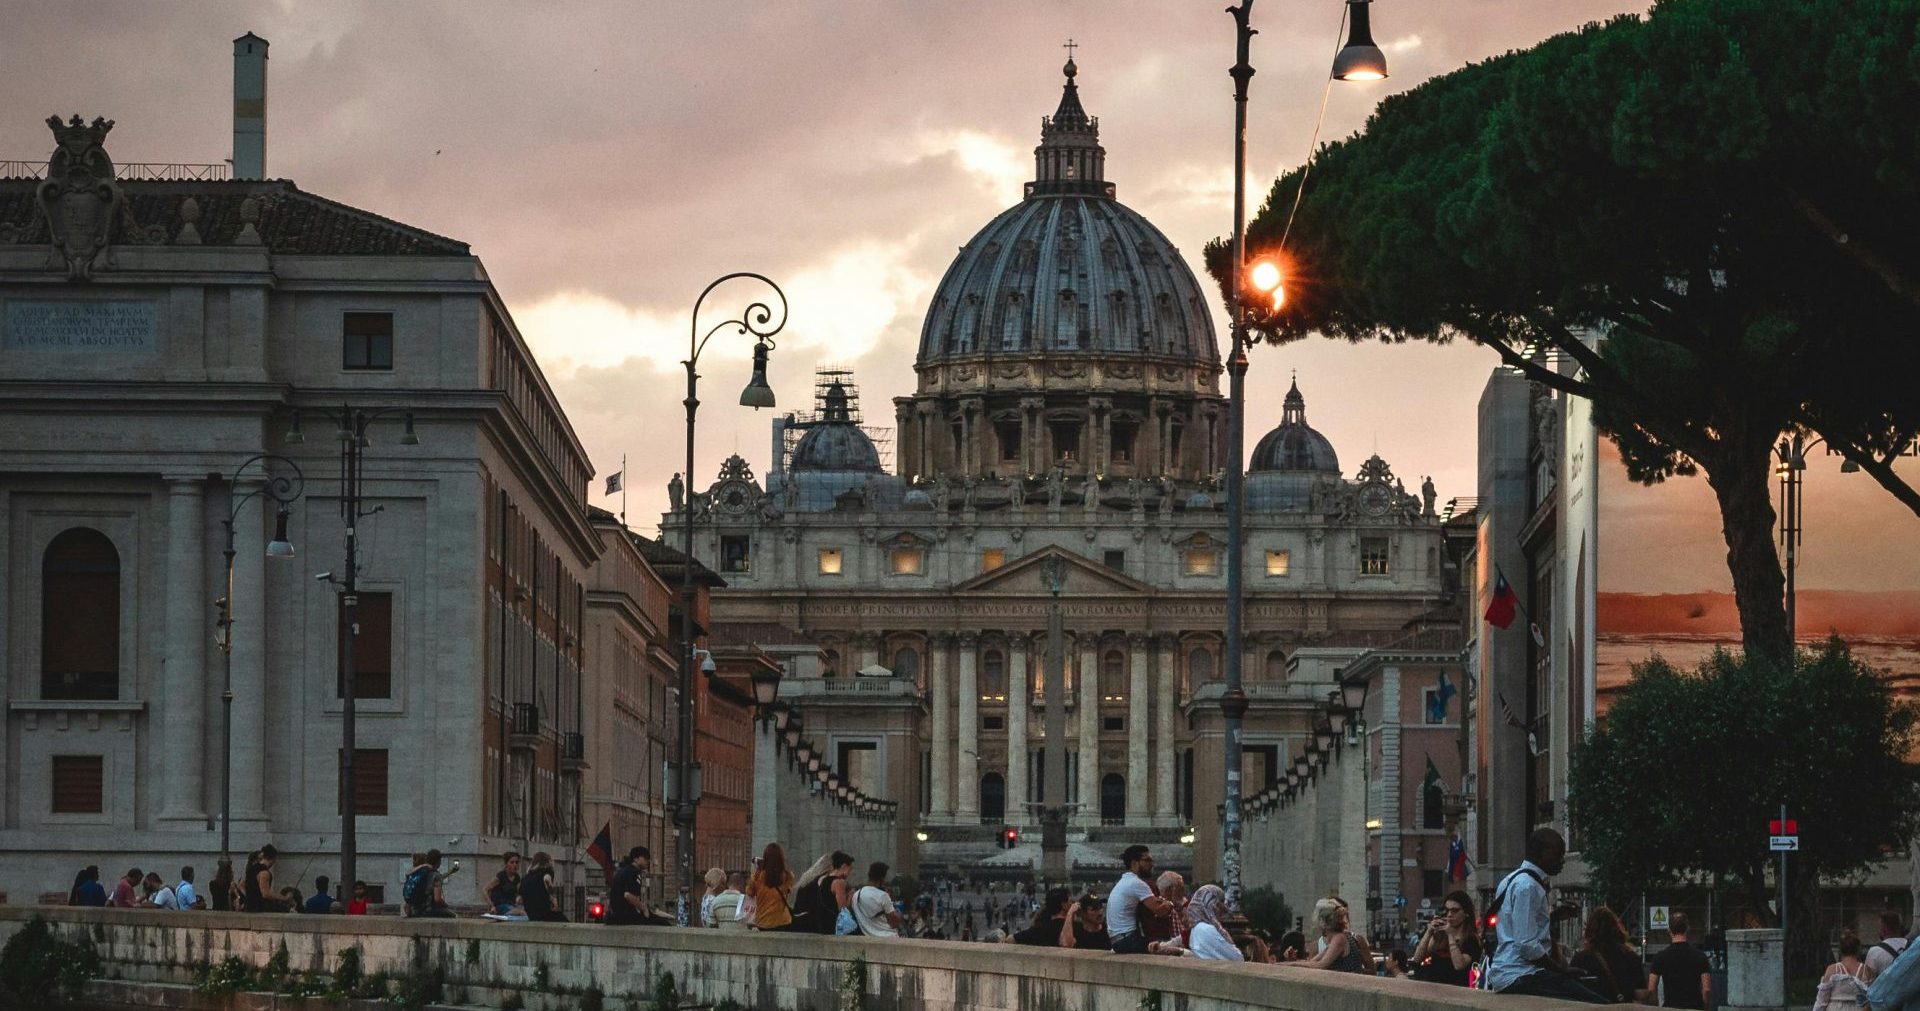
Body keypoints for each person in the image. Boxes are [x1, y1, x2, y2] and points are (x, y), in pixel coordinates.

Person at [1485, 828, 1606, 1002]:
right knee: (1595, 1002)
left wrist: (1553, 917)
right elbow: (1526, 944)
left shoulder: (1510, 880)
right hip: (1521, 975)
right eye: (1558, 854)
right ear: (1541, 853)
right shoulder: (1528, 886)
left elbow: (1516, 926)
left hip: (1508, 974)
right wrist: (1561, 970)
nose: (1562, 861)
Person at [1569, 906, 1649, 1003]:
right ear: (1617, 929)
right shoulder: (1631, 957)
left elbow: (1571, 993)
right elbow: (1642, 994)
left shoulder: (1580, 959)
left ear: (1589, 930)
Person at [1107, 845, 1172, 955]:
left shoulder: (1125, 880)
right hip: (1128, 940)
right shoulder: (1137, 883)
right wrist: (1170, 903)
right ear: (1134, 863)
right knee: (1170, 947)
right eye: (1147, 860)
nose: (1151, 864)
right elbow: (1160, 910)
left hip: (1118, 940)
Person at [1410, 890, 1482, 987]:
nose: (1449, 914)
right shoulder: (1441, 935)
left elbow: (1459, 965)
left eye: (1455, 911)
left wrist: (1450, 936)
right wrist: (1429, 932)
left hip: (1457, 989)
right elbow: (1417, 959)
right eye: (1447, 910)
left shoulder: (1471, 939)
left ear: (1466, 913)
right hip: (1434, 987)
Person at [1285, 897, 1370, 973]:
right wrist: (1288, 963)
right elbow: (1312, 962)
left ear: (1324, 923)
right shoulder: (1339, 938)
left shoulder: (1339, 939)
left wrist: (1289, 965)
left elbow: (1321, 965)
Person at [1648, 911, 1712, 1009]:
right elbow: (1706, 989)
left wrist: (1656, 1008)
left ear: (1669, 930)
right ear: (1687, 929)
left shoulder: (1660, 957)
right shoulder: (1700, 956)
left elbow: (1651, 989)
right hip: (1694, 1007)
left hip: (1670, 1008)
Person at [607, 846, 670, 925]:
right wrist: (644, 909)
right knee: (663, 924)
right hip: (625, 915)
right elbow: (628, 895)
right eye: (645, 858)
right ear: (635, 859)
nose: (648, 861)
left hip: (617, 914)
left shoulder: (624, 871)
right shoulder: (633, 872)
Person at [1814, 931, 1875, 1011]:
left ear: (1841, 950)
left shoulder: (1832, 970)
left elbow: (1821, 1002)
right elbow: (1872, 999)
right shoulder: (1866, 971)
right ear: (1858, 949)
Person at [1184, 885, 1243, 961]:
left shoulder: (1196, 929)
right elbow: (1238, 958)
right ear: (1209, 902)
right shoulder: (1205, 929)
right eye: (1220, 901)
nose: (1223, 907)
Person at [745, 843, 796, 931]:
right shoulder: (788, 876)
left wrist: (756, 870)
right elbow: (788, 891)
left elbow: (749, 892)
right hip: (783, 922)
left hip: (763, 922)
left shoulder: (759, 876)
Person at [851, 862, 901, 938]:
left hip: (867, 937)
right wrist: (899, 915)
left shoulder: (856, 895)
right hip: (888, 937)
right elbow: (894, 923)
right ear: (882, 878)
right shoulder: (883, 896)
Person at [403, 850, 455, 919]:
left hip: (413, 911)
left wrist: (450, 872)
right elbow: (438, 900)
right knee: (453, 915)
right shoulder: (435, 875)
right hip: (428, 911)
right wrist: (446, 906)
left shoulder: (418, 873)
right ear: (439, 861)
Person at [1148, 870, 1190, 951]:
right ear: (1169, 890)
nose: (1183, 891)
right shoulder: (1165, 907)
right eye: (1180, 888)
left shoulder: (1182, 904)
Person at [245, 846, 290, 913]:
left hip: (249, 907)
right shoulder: (264, 873)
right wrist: (285, 898)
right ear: (273, 858)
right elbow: (266, 894)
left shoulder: (251, 869)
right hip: (259, 908)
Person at [520, 853, 564, 922]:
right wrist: (554, 900)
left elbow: (519, 899)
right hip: (544, 914)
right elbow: (547, 880)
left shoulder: (525, 878)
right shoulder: (547, 873)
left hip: (530, 915)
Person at [1868, 912, 1910, 977]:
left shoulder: (1874, 951)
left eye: (1879, 927)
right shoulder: (1912, 947)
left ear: (1884, 929)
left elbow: (1868, 980)